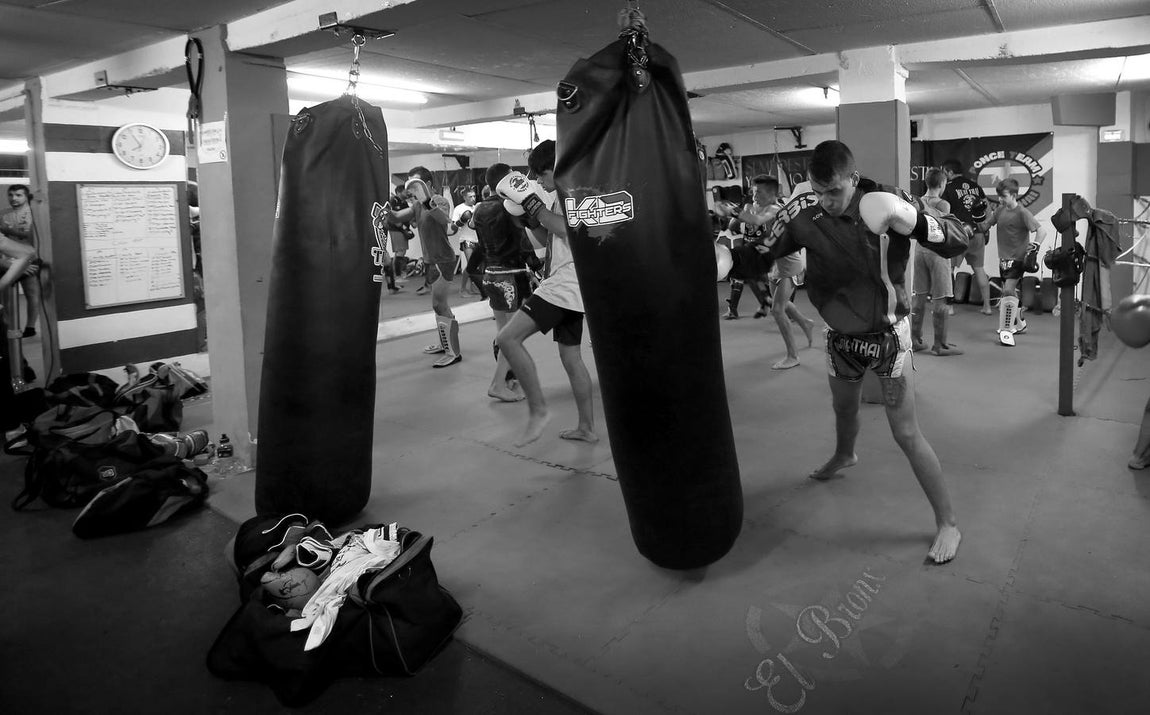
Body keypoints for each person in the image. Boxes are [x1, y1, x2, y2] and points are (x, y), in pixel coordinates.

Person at [761, 140, 966, 564]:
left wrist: (913, 220)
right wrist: (724, 257)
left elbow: (957, 242)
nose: (826, 201)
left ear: (853, 179)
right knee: (843, 409)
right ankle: (845, 453)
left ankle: (947, 522)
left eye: (833, 191)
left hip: (889, 337)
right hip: (840, 338)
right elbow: (761, 250)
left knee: (905, 433)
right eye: (818, 191)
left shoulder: (890, 200)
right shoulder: (805, 214)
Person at [494, 140, 598, 447]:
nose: (538, 181)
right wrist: (527, 216)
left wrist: (531, 202)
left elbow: (566, 229)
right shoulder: (559, 197)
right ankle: (586, 427)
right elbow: (549, 237)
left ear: (556, 169)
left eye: (541, 174)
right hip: (571, 284)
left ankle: (538, 411)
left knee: (507, 339)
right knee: (571, 357)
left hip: (566, 285)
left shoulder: (576, 193)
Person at [717, 176, 817, 369]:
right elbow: (744, 223)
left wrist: (732, 210)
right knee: (784, 304)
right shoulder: (756, 207)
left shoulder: (776, 209)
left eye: (759, 192)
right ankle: (806, 323)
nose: (755, 195)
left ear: (773, 194)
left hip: (791, 265)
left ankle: (793, 356)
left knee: (777, 310)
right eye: (753, 191)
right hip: (774, 263)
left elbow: (755, 219)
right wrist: (729, 214)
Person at [387, 167, 461, 367]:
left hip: (443, 259)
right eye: (411, 185)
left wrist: (427, 201)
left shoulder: (439, 201)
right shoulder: (417, 206)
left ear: (427, 185)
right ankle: (443, 343)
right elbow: (396, 217)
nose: (413, 189)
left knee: (440, 305)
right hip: (430, 260)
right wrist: (381, 204)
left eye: (416, 184)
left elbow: (444, 221)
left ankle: (454, 352)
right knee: (436, 306)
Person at [472, 164, 534, 402]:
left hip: (490, 274)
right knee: (512, 337)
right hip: (511, 274)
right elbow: (522, 242)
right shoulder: (510, 207)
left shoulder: (479, 209)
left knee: (503, 334)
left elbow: (479, 242)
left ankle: (510, 380)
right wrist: (538, 268)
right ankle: (498, 384)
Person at [981, 178, 1047, 346]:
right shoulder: (999, 211)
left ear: (1014, 195)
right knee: (1010, 292)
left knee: (1008, 291)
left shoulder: (1022, 213)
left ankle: (1006, 329)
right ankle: (1021, 324)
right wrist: (975, 216)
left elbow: (1042, 231)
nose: (1001, 199)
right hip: (1003, 259)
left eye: (1004, 196)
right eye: (999, 196)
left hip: (1018, 259)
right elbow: (985, 226)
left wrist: (1035, 248)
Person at [912, 169, 963, 356]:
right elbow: (945, 230)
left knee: (919, 297)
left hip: (919, 252)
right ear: (942, 184)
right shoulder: (943, 204)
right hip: (938, 253)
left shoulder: (916, 202)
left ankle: (915, 340)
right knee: (940, 299)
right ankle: (939, 345)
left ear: (926, 182)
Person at [941, 160, 992, 317]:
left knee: (949, 269)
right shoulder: (976, 187)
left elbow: (944, 211)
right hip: (977, 233)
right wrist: (985, 227)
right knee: (979, 269)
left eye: (944, 172)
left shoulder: (948, 188)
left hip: (959, 233)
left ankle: (949, 307)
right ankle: (987, 306)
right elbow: (988, 209)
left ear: (949, 173)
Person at [0, 185, 41, 337]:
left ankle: (30, 327)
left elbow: (32, 237)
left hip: (29, 258)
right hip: (7, 261)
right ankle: (9, 327)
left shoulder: (34, 214)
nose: (14, 198)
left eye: (18, 195)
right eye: (11, 195)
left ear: (26, 196)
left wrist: (8, 230)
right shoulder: (3, 214)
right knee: (6, 297)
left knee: (31, 293)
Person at [452, 189, 480, 297]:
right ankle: (462, 289)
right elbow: (453, 227)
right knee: (471, 265)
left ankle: (471, 287)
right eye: (470, 197)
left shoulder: (477, 207)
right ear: (464, 197)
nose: (473, 198)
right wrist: (462, 220)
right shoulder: (459, 208)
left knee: (476, 266)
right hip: (466, 239)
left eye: (474, 196)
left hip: (478, 239)